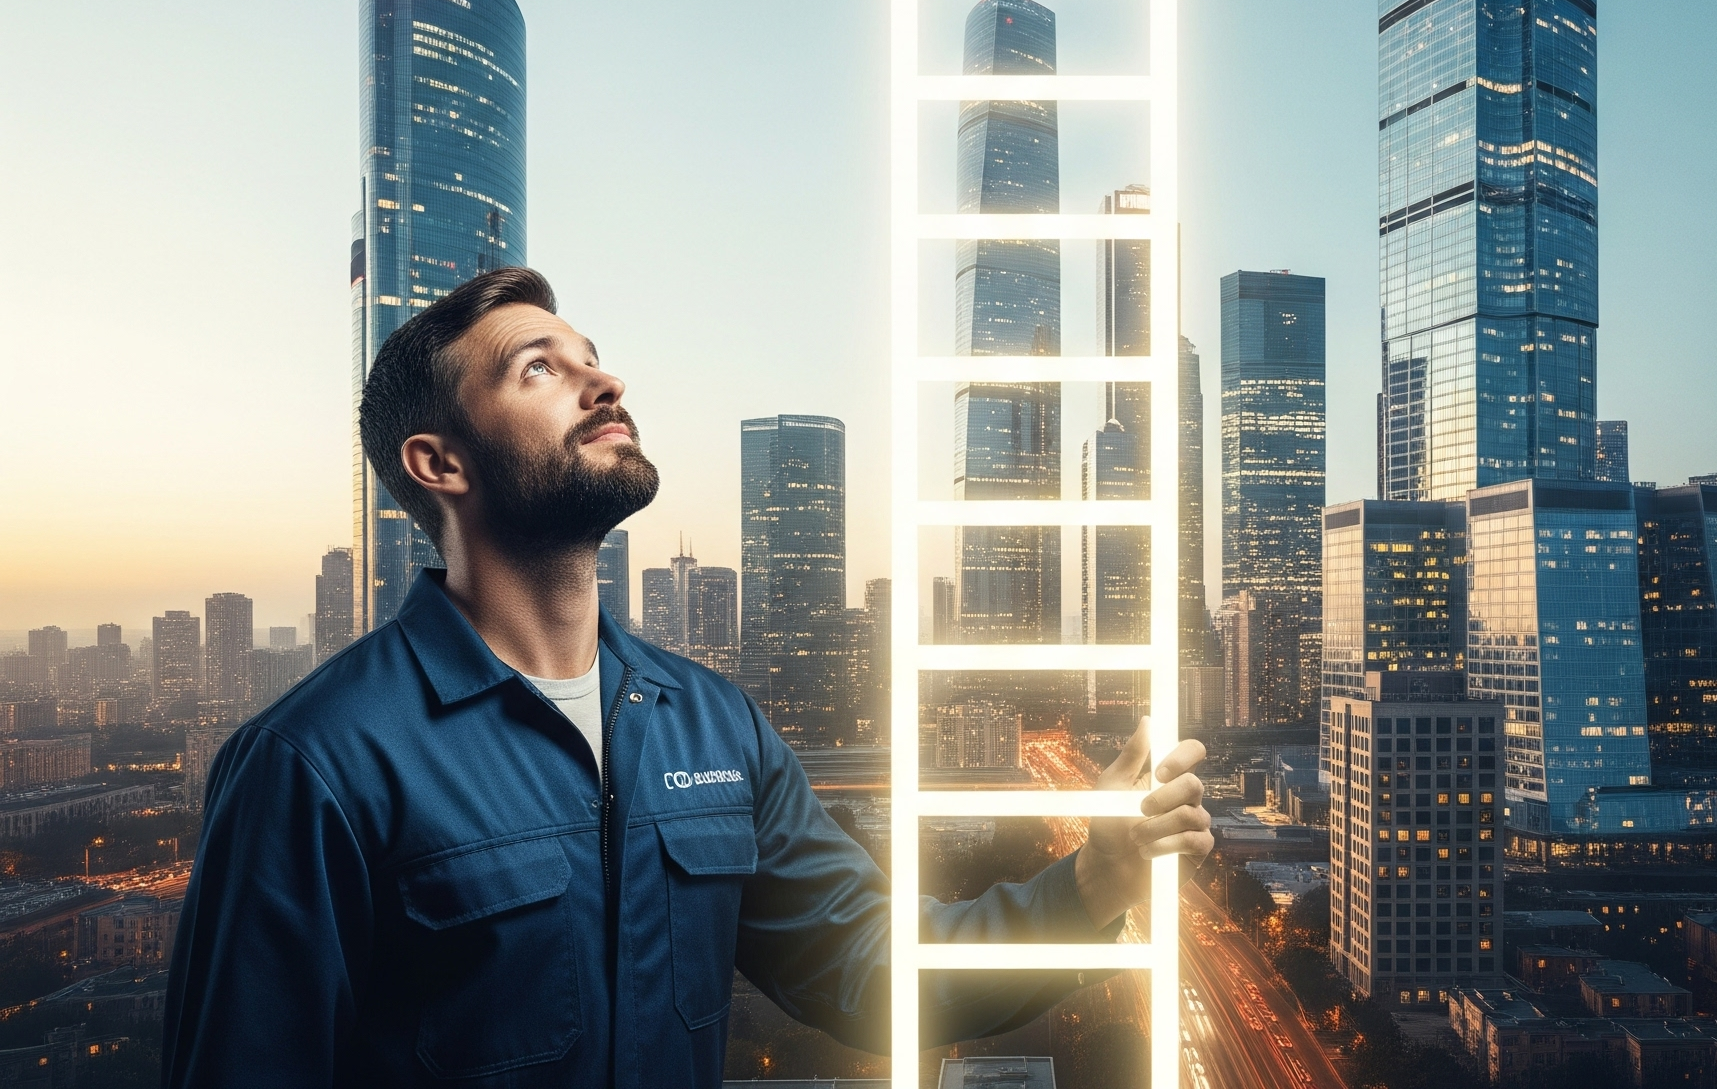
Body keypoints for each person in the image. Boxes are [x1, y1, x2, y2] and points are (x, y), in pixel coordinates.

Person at [162, 267, 1211, 1085]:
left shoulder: (714, 726)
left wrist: (1091, 884)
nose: (603, 380)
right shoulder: (317, 764)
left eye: (593, 359)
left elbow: (871, 968)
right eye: (539, 367)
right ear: (440, 462)